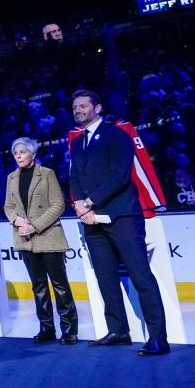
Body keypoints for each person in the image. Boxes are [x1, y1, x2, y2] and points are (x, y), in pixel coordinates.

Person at [69, 89, 170, 356]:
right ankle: (118, 330)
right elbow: (74, 178)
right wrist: (80, 206)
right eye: (75, 107)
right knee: (106, 278)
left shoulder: (117, 135)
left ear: (98, 108)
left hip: (122, 216)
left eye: (83, 106)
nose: (78, 110)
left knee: (140, 276)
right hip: (91, 221)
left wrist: (89, 201)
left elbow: (119, 175)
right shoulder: (77, 142)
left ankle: (159, 338)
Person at [3, 137, 77, 344]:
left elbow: (58, 205)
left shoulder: (47, 174)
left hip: (48, 236)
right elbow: (8, 206)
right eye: (15, 153)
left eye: (22, 152)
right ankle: (46, 328)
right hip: (25, 239)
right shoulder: (11, 178)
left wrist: (34, 226)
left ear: (33, 154)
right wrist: (16, 219)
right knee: (38, 286)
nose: (18, 155)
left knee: (59, 284)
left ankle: (69, 330)